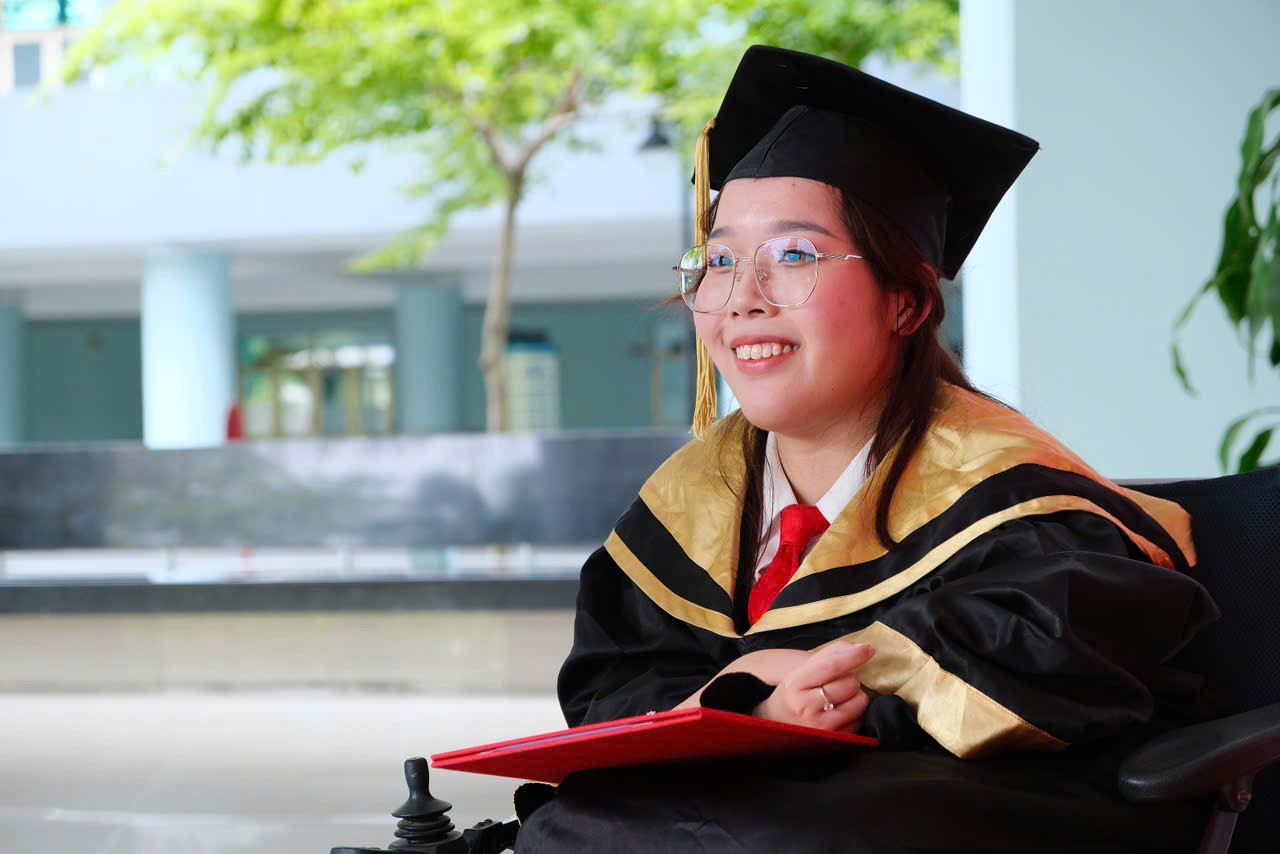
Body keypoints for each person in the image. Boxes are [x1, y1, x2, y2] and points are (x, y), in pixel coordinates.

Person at [514, 45, 1219, 853]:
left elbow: (1047, 663)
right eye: (716, 260)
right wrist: (748, 699)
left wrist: (797, 694)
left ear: (908, 302)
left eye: (796, 255)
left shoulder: (1016, 494)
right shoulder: (694, 495)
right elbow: (616, 691)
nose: (742, 297)